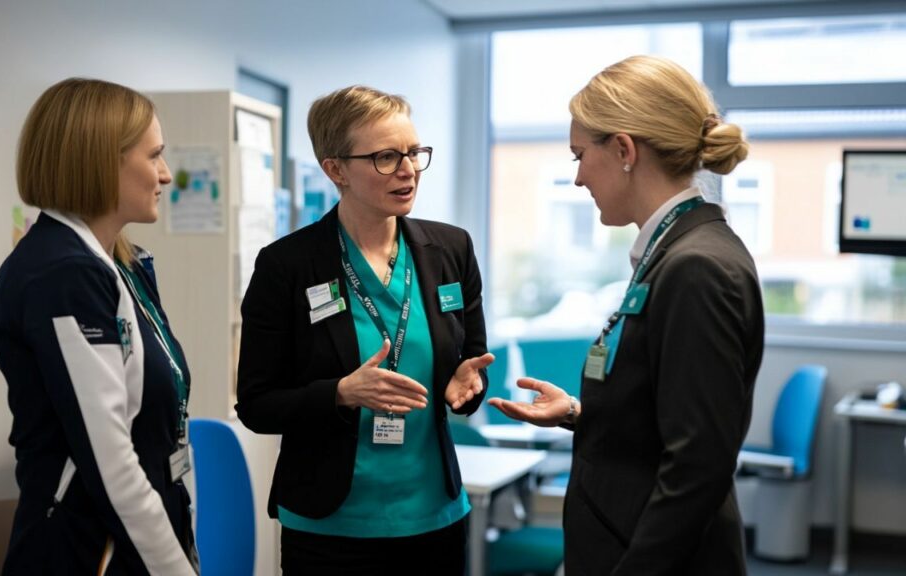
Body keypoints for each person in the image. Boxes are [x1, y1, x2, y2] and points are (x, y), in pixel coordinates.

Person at [489, 55, 764, 575]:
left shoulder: (697, 267)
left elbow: (697, 466)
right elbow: (666, 417)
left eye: (578, 156)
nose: (577, 180)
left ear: (623, 150)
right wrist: (579, 413)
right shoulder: (673, 251)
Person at [236, 85, 493, 575]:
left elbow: (472, 362)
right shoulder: (287, 266)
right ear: (335, 170)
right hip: (330, 529)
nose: (408, 169)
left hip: (433, 520)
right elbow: (256, 403)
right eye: (385, 157)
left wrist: (466, 385)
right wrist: (340, 393)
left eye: (414, 152)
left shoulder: (451, 250)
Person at [0, 78, 198, 575]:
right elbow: (110, 462)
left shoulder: (116, 264)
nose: (166, 175)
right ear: (103, 161)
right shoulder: (63, 274)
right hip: (86, 551)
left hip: (136, 539)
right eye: (154, 156)